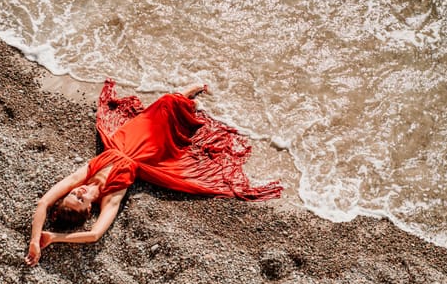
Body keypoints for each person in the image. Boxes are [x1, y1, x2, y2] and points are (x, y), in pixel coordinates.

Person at [25, 79, 282, 266]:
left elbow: (43, 202)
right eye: (80, 199)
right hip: (146, 154)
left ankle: (194, 91)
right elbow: (94, 235)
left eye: (73, 193)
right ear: (89, 209)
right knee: (170, 108)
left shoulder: (84, 175)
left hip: (125, 140)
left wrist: (35, 240)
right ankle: (194, 94)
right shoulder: (110, 197)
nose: (78, 190)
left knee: (163, 104)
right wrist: (55, 238)